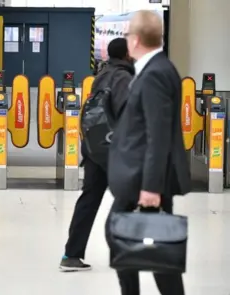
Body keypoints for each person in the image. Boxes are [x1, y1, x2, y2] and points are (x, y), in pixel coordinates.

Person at [106, 10, 190, 295]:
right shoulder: (155, 69)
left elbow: (159, 134)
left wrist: (151, 187)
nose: (127, 39)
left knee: (154, 248)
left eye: (129, 34)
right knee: (145, 245)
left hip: (146, 179)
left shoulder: (155, 73)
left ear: (136, 40)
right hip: (140, 176)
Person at [59, 38, 135, 272]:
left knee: (89, 200)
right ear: (126, 54)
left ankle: (71, 255)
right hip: (115, 150)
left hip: (94, 149)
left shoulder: (101, 76)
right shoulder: (123, 78)